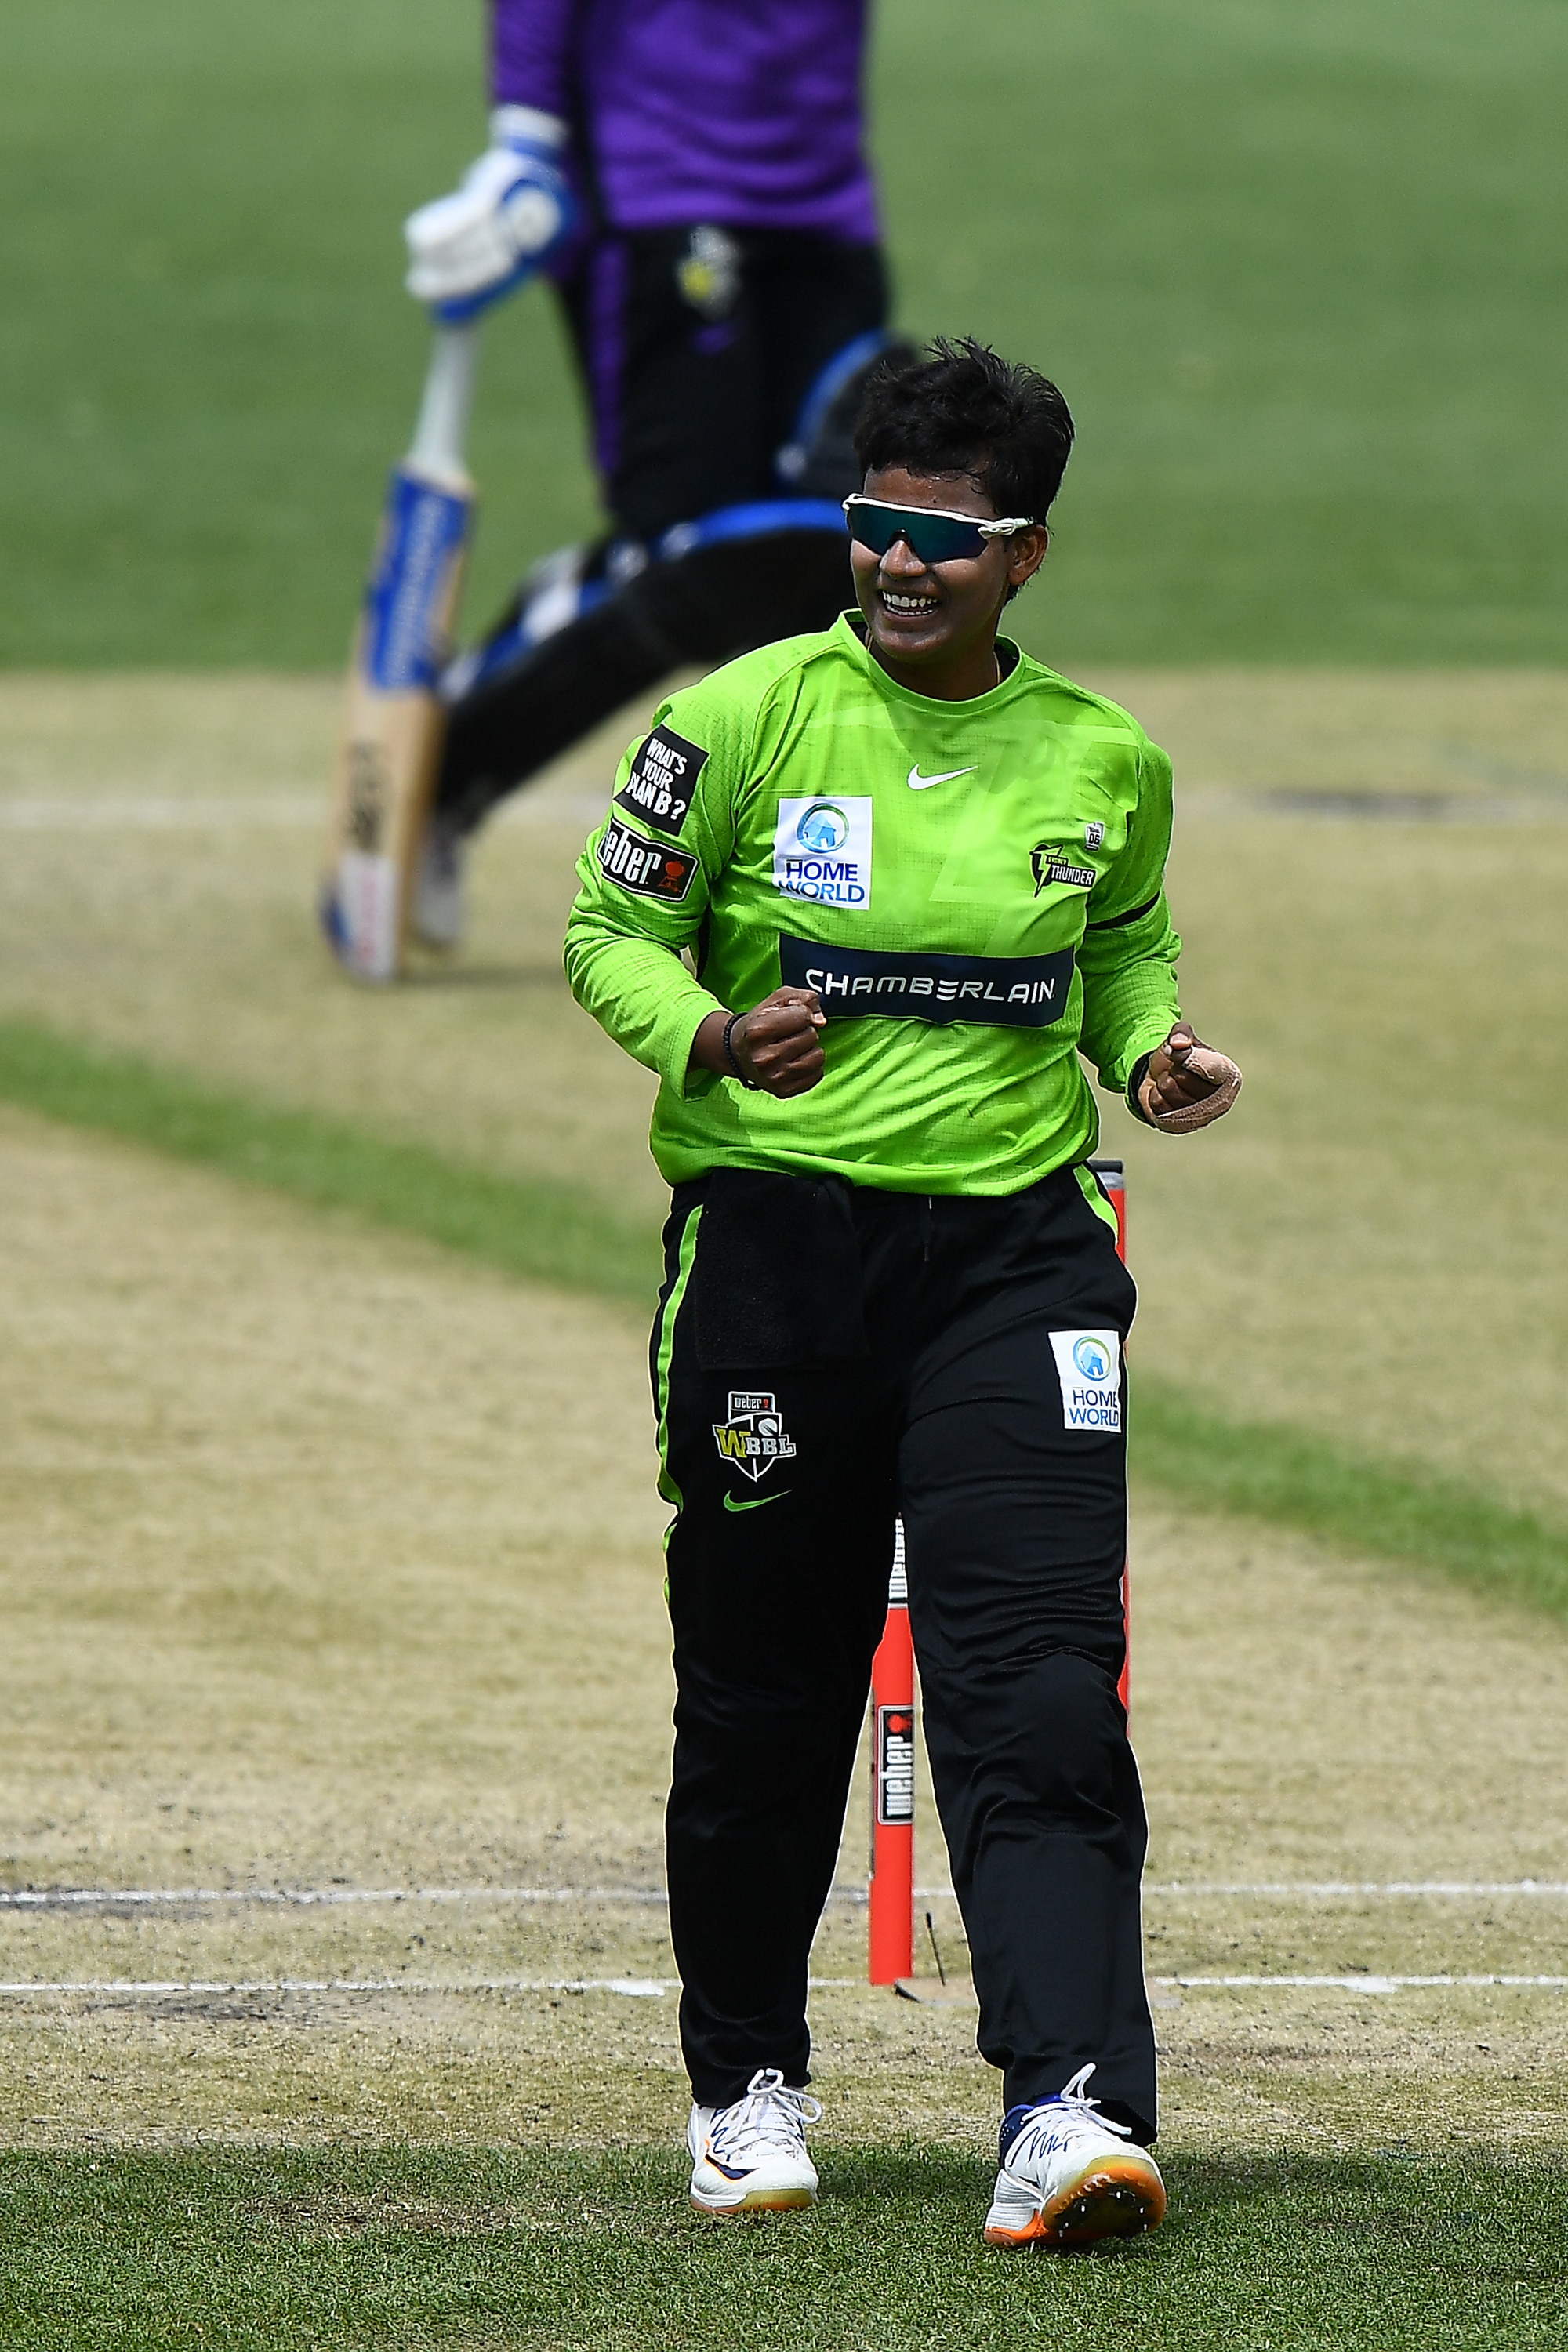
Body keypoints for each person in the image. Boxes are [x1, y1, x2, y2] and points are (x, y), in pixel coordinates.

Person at [563, 339, 1242, 2247]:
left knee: (1039, 1688)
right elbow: (607, 926)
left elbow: (1120, 947)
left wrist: (1153, 1049)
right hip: (776, 1258)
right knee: (764, 1694)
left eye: (944, 539)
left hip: (1016, 1257)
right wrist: (707, 1034)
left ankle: (1065, 2106)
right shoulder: (740, 720)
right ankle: (743, 2084)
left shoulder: (1103, 757)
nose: (897, 563)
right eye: (873, 526)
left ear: (1023, 555)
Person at [400, 0, 906, 948]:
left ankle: (794, 885)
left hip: (828, 205)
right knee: (688, 556)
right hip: (655, 188)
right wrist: (525, 138)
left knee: (838, 540)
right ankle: (441, 773)